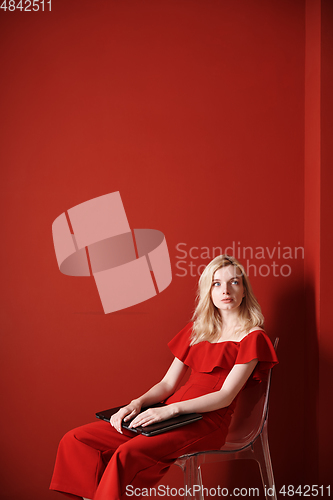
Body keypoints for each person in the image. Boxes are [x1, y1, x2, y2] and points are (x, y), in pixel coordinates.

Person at [50, 255, 278, 500]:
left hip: (206, 422)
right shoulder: (197, 330)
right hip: (166, 414)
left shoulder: (253, 337)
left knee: (127, 453)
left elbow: (225, 396)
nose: (225, 290)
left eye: (234, 282)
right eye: (216, 283)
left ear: (244, 291)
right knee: (76, 440)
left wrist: (171, 411)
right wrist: (136, 404)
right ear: (208, 291)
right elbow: (167, 384)